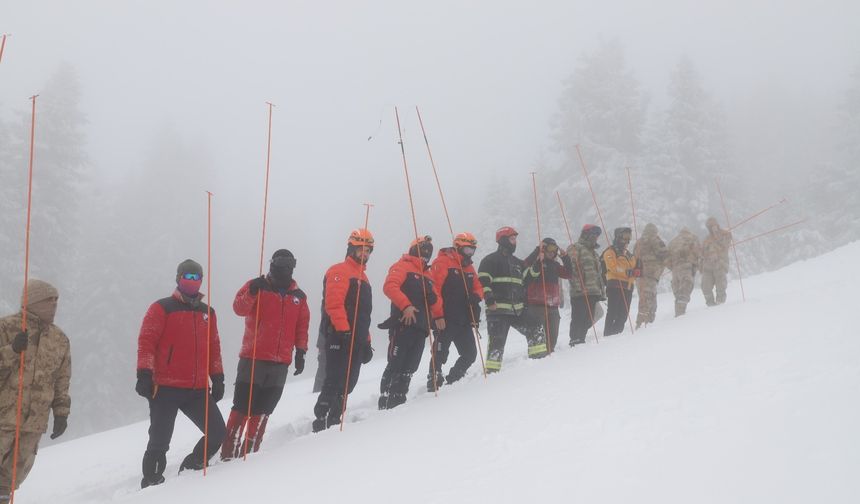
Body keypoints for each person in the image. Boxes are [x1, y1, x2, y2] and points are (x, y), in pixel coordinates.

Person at [136, 260, 226, 488]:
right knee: (159, 442)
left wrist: (218, 377)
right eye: (188, 277)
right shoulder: (162, 307)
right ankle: (152, 483)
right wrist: (144, 374)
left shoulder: (208, 313)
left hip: (197, 390)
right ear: (178, 278)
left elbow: (213, 347)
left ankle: (192, 468)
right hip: (165, 388)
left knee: (217, 433)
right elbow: (147, 342)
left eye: (197, 278)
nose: (192, 282)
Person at [222, 249, 310, 460]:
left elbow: (302, 326)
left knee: (264, 410)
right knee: (242, 407)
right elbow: (238, 308)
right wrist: (252, 290)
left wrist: (301, 351)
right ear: (272, 264)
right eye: (280, 263)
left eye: (289, 264)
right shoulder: (258, 285)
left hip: (281, 362)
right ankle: (228, 455)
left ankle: (250, 454)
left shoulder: (298, 296)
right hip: (253, 358)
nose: (284, 268)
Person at [0, 280, 70, 502]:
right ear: (34, 301)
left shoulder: (59, 339)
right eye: (49, 300)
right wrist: (11, 350)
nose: (54, 306)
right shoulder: (7, 328)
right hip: (3, 417)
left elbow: (62, 378)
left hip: (33, 423)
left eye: (56, 301)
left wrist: (61, 412)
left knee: (10, 479)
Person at [312, 229, 374, 432]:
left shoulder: (364, 278)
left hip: (356, 337)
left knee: (349, 382)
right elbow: (334, 304)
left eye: (368, 251)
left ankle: (335, 417)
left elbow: (364, 315)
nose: (364, 254)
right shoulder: (339, 271)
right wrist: (343, 331)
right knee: (335, 379)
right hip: (339, 336)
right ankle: (321, 421)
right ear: (351, 249)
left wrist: (366, 340)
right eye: (361, 250)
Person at [378, 235, 441, 409]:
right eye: (423, 250)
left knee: (411, 367)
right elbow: (389, 286)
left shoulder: (428, 275)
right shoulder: (402, 266)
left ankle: (399, 398)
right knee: (395, 364)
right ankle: (385, 400)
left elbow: (437, 301)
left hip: (422, 327)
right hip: (403, 325)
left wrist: (435, 306)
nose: (426, 255)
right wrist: (406, 305)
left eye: (429, 252)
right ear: (414, 250)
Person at [479, 227, 547, 373]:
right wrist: (490, 300)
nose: (515, 242)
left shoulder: (517, 262)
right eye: (512, 239)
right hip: (498, 311)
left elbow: (527, 280)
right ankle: (492, 373)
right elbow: (483, 282)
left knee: (535, 326)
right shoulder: (490, 260)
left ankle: (539, 362)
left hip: (517, 310)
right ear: (503, 240)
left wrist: (537, 265)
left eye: (515, 239)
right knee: (496, 344)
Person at [426, 233, 483, 390]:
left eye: (473, 250)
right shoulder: (442, 262)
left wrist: (476, 296)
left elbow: (479, 287)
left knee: (470, 354)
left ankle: (454, 379)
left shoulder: (469, 268)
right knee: (440, 353)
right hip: (445, 318)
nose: (470, 253)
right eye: (467, 250)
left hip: (464, 319)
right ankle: (434, 381)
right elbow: (433, 290)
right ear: (458, 247)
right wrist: (437, 315)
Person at [523, 237, 572, 351]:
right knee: (539, 341)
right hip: (536, 307)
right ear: (543, 249)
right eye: (549, 249)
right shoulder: (535, 262)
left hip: (553, 307)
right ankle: (538, 360)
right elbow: (525, 265)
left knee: (552, 341)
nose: (552, 252)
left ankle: (549, 359)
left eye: (555, 249)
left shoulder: (554, 265)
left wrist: (565, 258)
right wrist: (537, 251)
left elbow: (569, 274)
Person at [566, 225, 605, 346]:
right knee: (578, 318)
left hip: (593, 291)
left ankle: (580, 339)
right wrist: (578, 286)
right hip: (580, 291)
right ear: (586, 234)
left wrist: (601, 291)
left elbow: (598, 274)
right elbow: (571, 269)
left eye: (597, 236)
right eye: (593, 235)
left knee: (589, 318)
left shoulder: (594, 253)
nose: (596, 238)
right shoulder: (575, 248)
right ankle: (575, 340)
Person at [601, 227, 638, 336]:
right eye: (625, 237)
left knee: (623, 315)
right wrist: (627, 272)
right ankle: (608, 335)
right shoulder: (610, 251)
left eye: (629, 237)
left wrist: (637, 272)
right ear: (618, 237)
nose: (627, 241)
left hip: (628, 287)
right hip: (615, 286)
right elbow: (612, 267)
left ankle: (616, 335)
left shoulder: (629, 255)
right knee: (613, 312)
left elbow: (634, 270)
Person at [632, 223, 668, 329]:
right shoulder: (655, 240)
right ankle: (644, 324)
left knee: (643, 298)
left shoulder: (638, 242)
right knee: (650, 300)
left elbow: (634, 256)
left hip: (639, 275)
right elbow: (664, 253)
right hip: (651, 274)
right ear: (655, 231)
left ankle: (644, 323)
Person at [668, 228, 702, 316]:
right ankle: (680, 315)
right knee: (685, 291)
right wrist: (697, 266)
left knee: (678, 292)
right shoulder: (693, 238)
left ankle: (678, 313)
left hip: (675, 270)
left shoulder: (673, 241)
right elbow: (699, 253)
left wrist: (672, 267)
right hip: (687, 267)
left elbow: (666, 258)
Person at [701, 217, 732, 306]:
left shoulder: (725, 234)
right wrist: (707, 254)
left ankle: (720, 304)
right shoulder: (707, 239)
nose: (713, 228)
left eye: (714, 225)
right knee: (705, 286)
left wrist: (718, 236)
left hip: (720, 264)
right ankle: (710, 304)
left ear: (717, 225)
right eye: (710, 226)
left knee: (720, 286)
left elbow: (726, 244)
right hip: (708, 266)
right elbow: (702, 252)